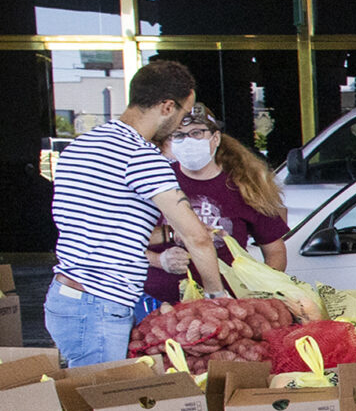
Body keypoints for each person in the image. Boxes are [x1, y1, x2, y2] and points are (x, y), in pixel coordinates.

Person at [45, 58, 227, 366]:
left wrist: (168, 234)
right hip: (99, 306)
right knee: (103, 407)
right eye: (184, 112)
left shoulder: (82, 145)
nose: (180, 123)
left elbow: (103, 225)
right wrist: (215, 297)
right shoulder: (140, 156)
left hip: (66, 297)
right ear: (167, 107)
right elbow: (197, 236)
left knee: (90, 403)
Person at [143, 106, 289, 313]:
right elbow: (120, 244)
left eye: (196, 133)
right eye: (179, 135)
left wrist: (259, 294)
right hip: (160, 306)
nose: (188, 141)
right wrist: (159, 260)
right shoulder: (154, 182)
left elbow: (275, 250)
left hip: (227, 308)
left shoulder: (246, 185)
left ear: (216, 138)